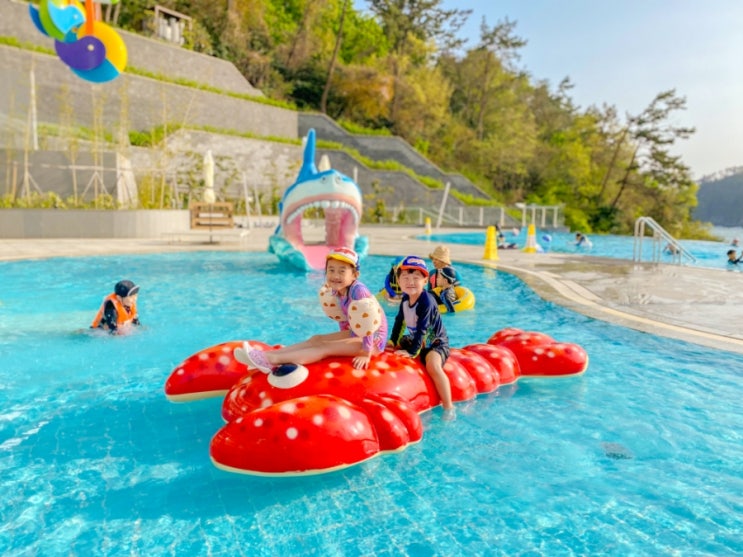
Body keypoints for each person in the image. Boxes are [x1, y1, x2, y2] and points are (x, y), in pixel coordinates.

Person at [237, 247, 388, 372]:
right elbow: (343, 318)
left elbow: (368, 324)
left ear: (355, 275)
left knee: (325, 347)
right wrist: (342, 340)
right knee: (316, 339)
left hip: (373, 341)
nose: (335, 276)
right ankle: (266, 355)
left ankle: (272, 360)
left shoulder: (359, 291)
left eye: (342, 271)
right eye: (331, 270)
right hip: (357, 333)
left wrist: (365, 353)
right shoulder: (338, 289)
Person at [388, 255, 455, 421]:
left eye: (416, 278)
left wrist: (412, 352)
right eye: (405, 278)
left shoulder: (427, 301)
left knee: (433, 366)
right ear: (399, 281)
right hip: (417, 340)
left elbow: (422, 329)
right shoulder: (405, 298)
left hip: (436, 344)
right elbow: (400, 321)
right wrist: (392, 342)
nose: (410, 282)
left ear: (425, 281)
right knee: (399, 344)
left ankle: (449, 407)